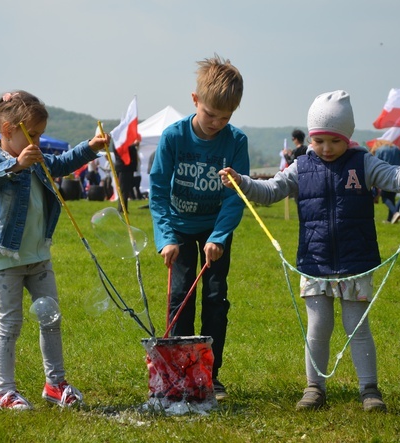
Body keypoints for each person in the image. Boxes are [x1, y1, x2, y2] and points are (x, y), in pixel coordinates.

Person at [220, 90, 400, 412]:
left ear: (347, 137)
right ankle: (314, 388)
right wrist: (242, 181)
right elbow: (270, 191)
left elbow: (396, 179)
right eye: (319, 141)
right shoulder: (300, 167)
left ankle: (369, 390)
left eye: (334, 141)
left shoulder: (363, 163)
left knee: (357, 328)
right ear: (311, 139)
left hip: (355, 262)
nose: (326, 148)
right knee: (318, 329)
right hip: (314, 262)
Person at [0, 90, 110, 410]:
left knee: (51, 320)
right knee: (11, 324)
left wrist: (90, 147)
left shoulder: (35, 157)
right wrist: (16, 166)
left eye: (40, 135)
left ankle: (55, 384)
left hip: (39, 257)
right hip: (5, 259)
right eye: (32, 135)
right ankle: (5, 391)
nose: (37, 142)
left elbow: (61, 163)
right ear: (7, 131)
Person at [149, 55, 249, 401]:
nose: (217, 123)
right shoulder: (173, 137)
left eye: (226, 117)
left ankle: (209, 374)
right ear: (195, 101)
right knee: (181, 298)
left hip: (215, 230)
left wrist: (219, 236)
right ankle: (180, 374)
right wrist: (165, 239)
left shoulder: (236, 142)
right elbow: (158, 188)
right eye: (210, 114)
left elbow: (236, 196)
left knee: (215, 300)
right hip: (178, 228)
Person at [374, 143, 400, 223]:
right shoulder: (396, 149)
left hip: (386, 175)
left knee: (384, 197)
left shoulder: (380, 150)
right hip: (397, 174)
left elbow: (376, 164)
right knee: (391, 197)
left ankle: (395, 213)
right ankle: (390, 219)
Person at [114, 139, 139, 213]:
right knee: (124, 189)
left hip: (124, 168)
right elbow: (124, 151)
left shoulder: (119, 142)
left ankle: (122, 208)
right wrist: (133, 145)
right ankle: (122, 209)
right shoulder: (119, 143)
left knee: (124, 189)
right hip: (124, 168)